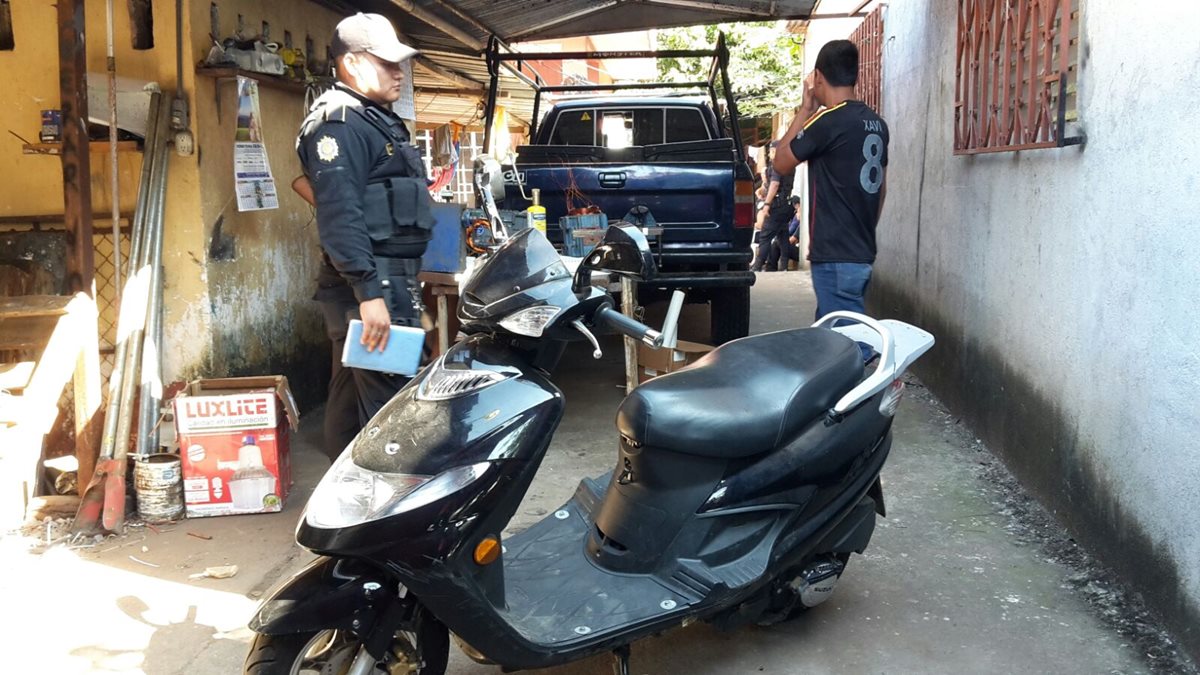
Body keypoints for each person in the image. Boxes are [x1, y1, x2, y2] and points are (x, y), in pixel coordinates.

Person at [295, 13, 434, 461]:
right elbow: (339, 213)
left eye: (401, 63)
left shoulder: (373, 119)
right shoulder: (339, 124)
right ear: (353, 64)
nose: (400, 72)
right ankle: (385, 515)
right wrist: (369, 293)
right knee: (390, 409)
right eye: (388, 62)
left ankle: (341, 513)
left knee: (350, 400)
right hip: (371, 286)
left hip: (384, 281)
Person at [774, 39, 889, 358]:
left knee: (851, 348)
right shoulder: (877, 124)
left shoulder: (827, 121)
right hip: (860, 251)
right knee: (828, 335)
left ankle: (870, 399)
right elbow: (881, 189)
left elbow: (781, 161)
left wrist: (805, 108)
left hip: (836, 254)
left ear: (818, 78)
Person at [750, 142, 795, 272]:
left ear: (775, 151)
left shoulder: (777, 165)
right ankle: (784, 266)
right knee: (782, 234)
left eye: (770, 150)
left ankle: (757, 265)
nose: (769, 154)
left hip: (777, 204)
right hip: (787, 204)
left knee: (765, 236)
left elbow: (774, 185)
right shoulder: (790, 164)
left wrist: (767, 205)